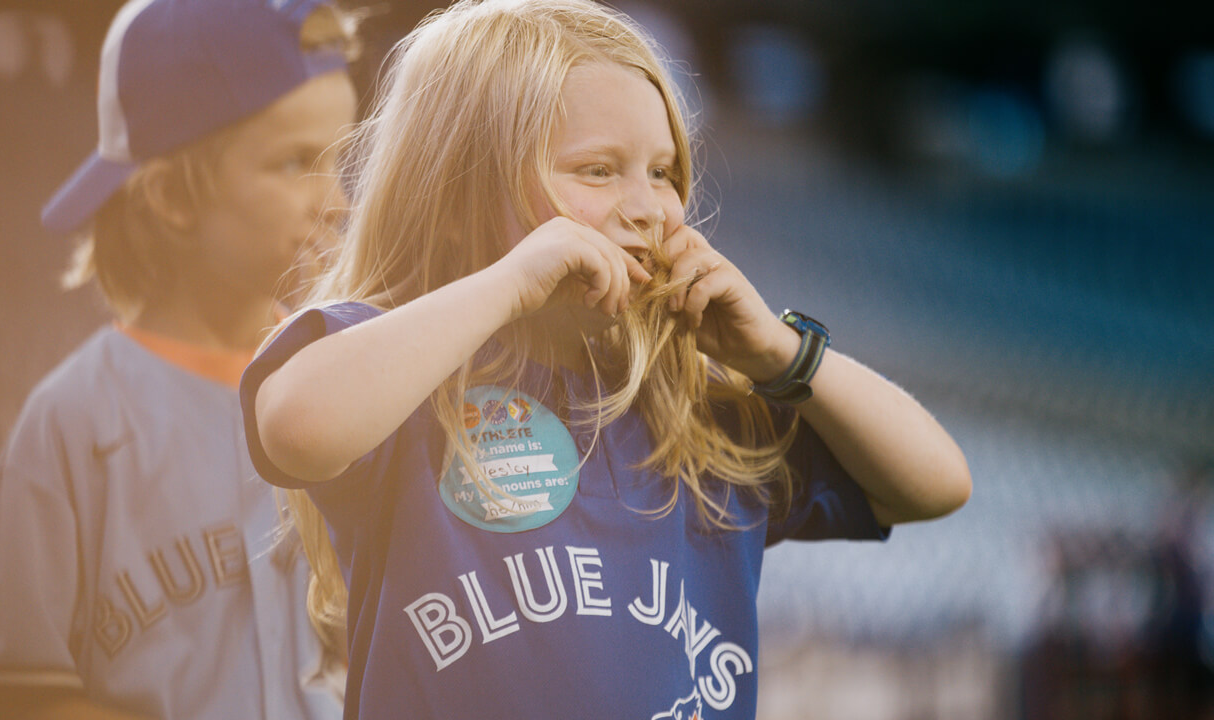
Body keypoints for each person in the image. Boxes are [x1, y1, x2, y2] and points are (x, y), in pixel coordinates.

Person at [240, 0, 972, 717]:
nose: (648, 207)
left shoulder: (693, 409)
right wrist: (509, 284)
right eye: (596, 171)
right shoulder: (399, 368)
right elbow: (298, 428)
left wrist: (780, 354)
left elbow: (936, 483)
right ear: (461, 196)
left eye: (661, 172)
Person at [0, 0, 359, 718]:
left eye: (339, 161)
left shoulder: (355, 386)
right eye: (295, 164)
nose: (338, 203)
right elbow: (1, 700)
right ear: (171, 197)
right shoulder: (72, 422)